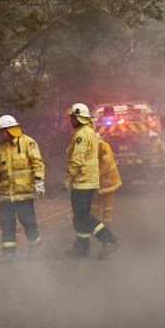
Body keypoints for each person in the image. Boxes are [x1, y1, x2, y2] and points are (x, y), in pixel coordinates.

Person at [0, 114, 46, 261]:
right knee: (6, 224)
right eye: (0, 131)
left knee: (28, 222)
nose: (0, 134)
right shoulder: (1, 149)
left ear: (9, 130)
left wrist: (39, 182)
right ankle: (9, 253)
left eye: (2, 131)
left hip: (24, 194)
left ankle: (35, 248)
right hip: (7, 196)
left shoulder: (27, 143)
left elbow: (37, 163)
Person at [66, 102, 121, 258]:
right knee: (79, 216)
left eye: (72, 117)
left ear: (78, 118)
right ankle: (81, 248)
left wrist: (67, 178)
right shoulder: (89, 132)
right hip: (86, 181)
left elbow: (77, 160)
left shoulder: (82, 135)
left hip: (82, 181)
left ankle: (109, 239)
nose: (70, 120)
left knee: (83, 216)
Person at [92, 131, 122, 226]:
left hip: (109, 180)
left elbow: (106, 164)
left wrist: (96, 175)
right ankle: (94, 221)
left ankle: (107, 222)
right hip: (99, 181)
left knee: (107, 204)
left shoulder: (104, 147)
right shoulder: (94, 147)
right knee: (95, 203)